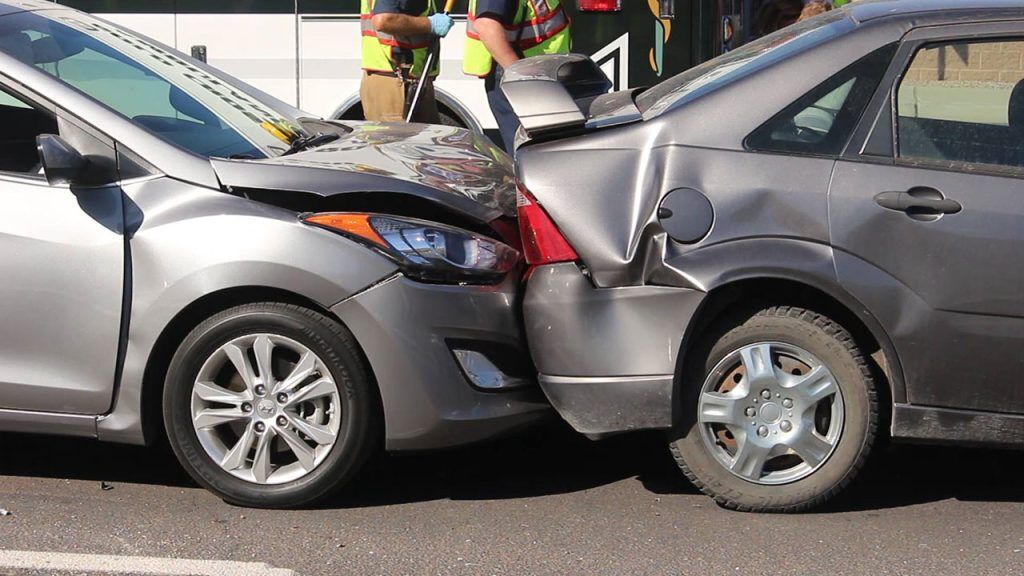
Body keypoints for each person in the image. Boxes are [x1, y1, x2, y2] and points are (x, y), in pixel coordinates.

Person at [464, 0, 571, 153]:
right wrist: (521, 77)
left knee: (545, 155)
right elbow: (486, 26)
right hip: (522, 84)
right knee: (533, 157)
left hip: (537, 80)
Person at [360, 0, 454, 123]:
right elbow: (384, 20)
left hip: (398, 78)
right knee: (397, 140)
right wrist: (430, 24)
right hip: (397, 82)